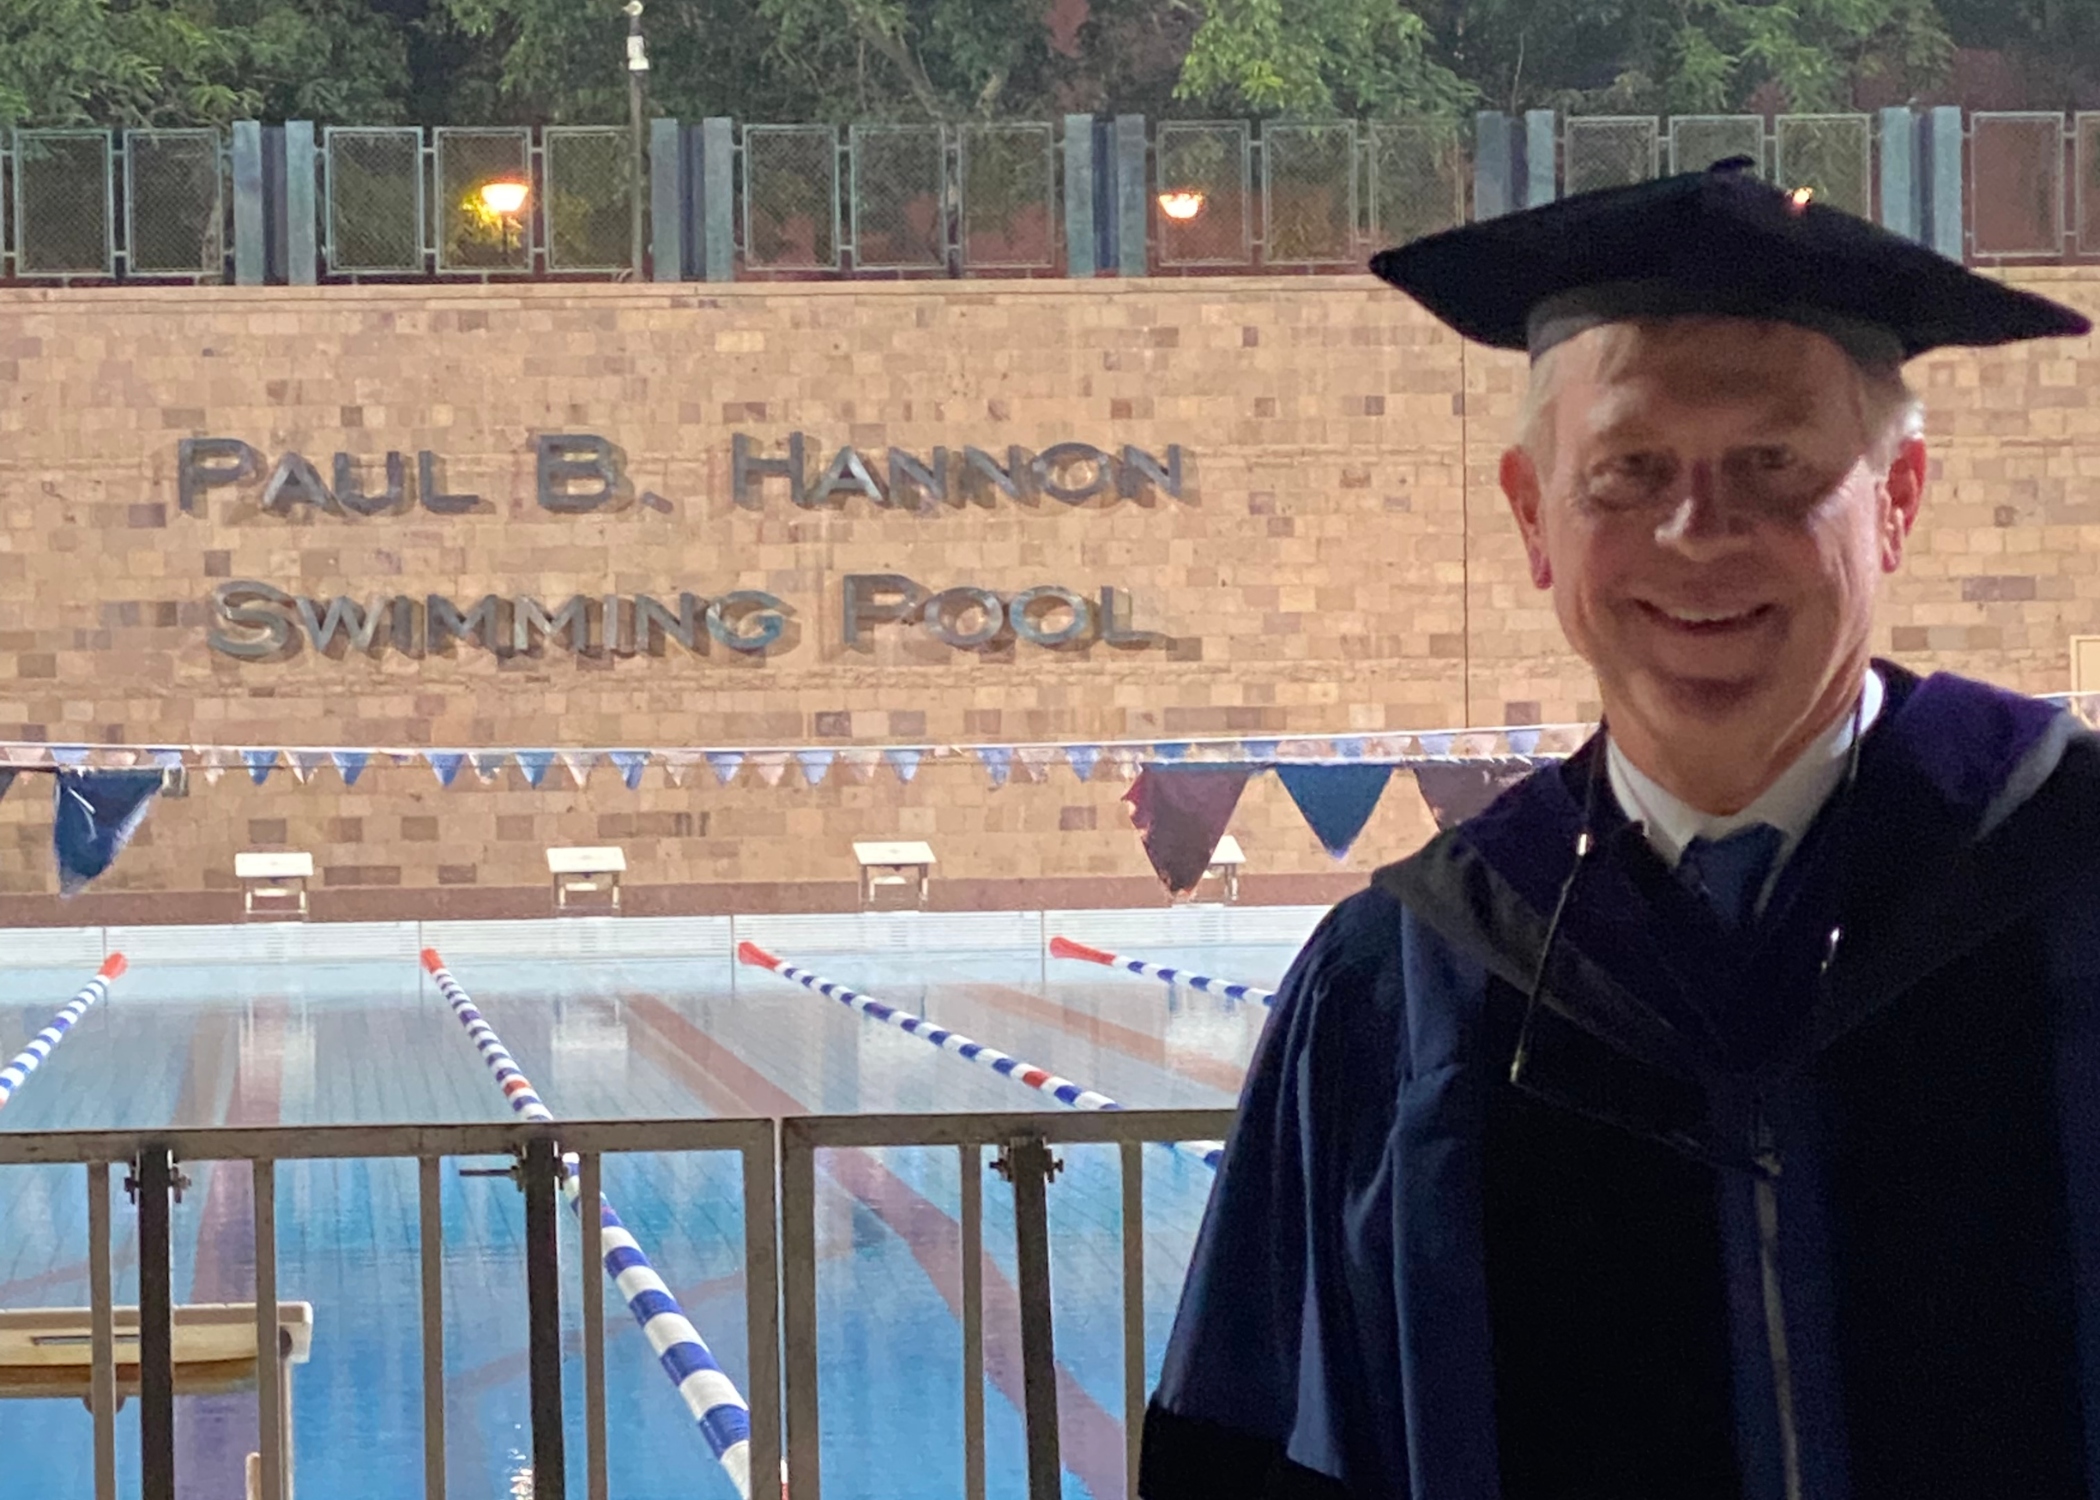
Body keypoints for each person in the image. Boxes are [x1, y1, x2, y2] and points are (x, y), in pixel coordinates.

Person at [1138, 159, 2100, 1500]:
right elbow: (1249, 1449)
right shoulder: (1402, 987)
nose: (1700, 532)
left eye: (1773, 464)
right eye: (1628, 472)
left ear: (1898, 499)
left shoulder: (2068, 884)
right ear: (1536, 519)